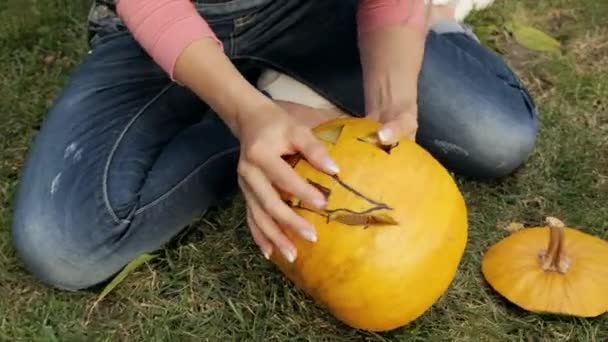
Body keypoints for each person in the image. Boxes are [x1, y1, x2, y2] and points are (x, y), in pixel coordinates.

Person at [11, 0, 538, 291]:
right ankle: (271, 108)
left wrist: (391, 100)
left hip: (309, 8)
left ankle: (435, 18)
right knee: (65, 247)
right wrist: (246, 115)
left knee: (498, 137)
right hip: (155, 25)